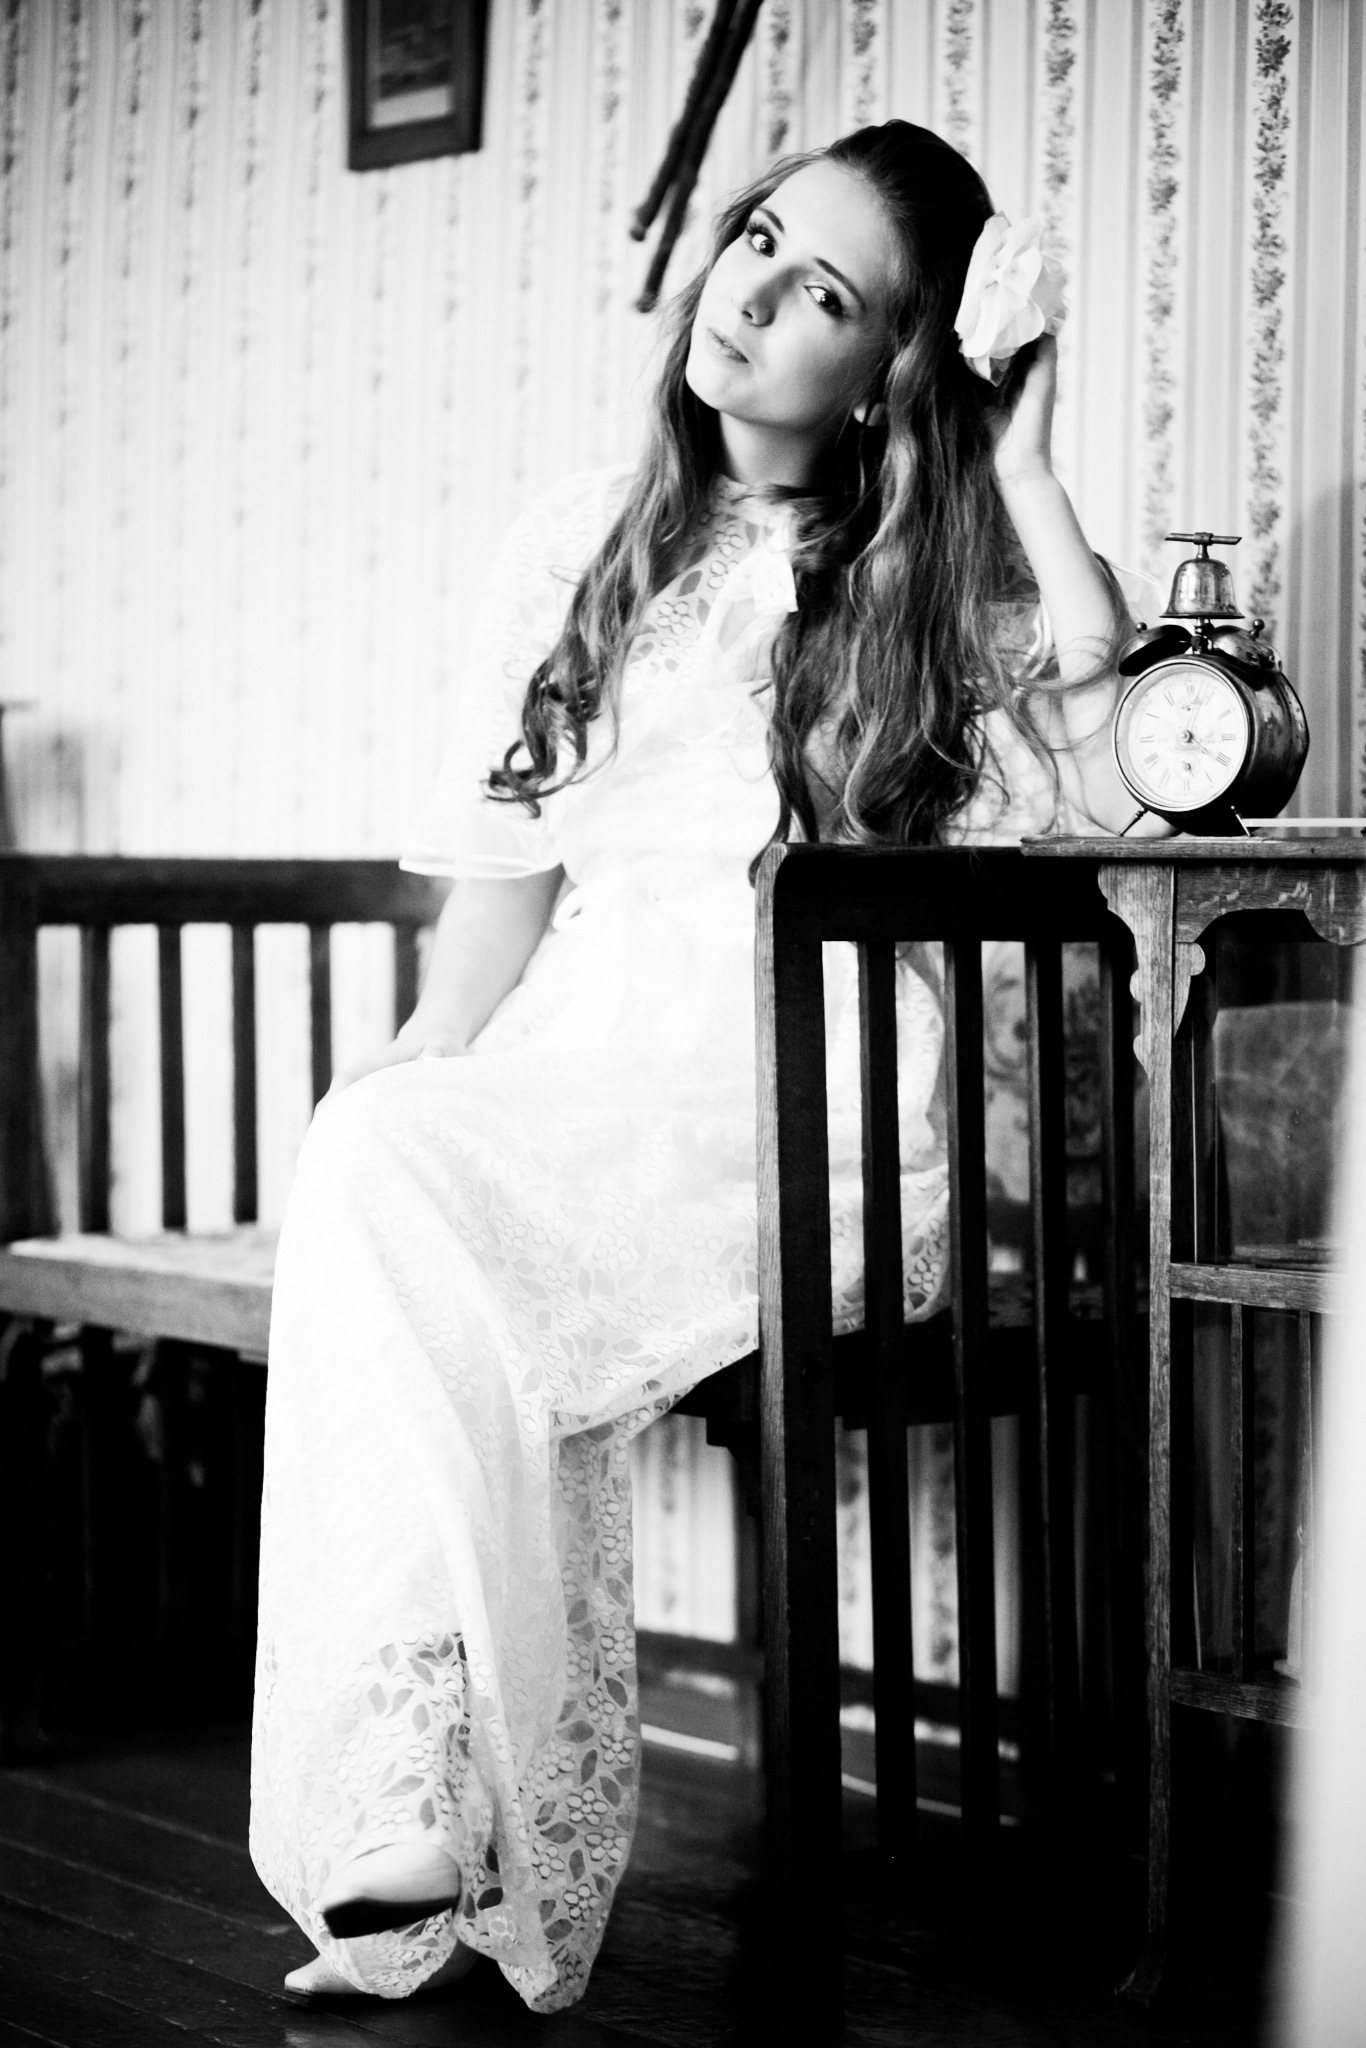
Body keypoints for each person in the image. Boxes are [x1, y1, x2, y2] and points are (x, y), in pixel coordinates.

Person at [249, 119, 1165, 2012]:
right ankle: (415, 1793)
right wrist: (410, 1082)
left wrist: (1020, 460)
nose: (748, 293)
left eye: (820, 290)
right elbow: (498, 888)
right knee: (374, 1156)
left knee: (407, 1207)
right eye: (755, 237)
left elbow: (1105, 780)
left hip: (797, 1105)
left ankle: (427, 1806)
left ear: (885, 368)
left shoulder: (924, 574)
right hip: (579, 1060)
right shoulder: (575, 539)